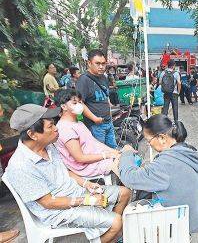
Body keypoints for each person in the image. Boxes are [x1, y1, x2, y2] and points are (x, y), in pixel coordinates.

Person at [6, 104, 131, 243]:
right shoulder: (20, 166)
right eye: (50, 126)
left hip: (75, 193)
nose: (56, 128)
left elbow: (64, 171)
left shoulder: (49, 146)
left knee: (124, 193)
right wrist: (87, 201)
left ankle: (110, 233)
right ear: (32, 134)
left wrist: (87, 184)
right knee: (116, 222)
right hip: (57, 211)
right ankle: (111, 230)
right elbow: (48, 203)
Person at [119, 114, 198, 234]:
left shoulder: (166, 164)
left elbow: (129, 177)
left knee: (132, 211)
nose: (149, 145)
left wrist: (127, 153)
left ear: (162, 138)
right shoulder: (187, 151)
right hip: (191, 219)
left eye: (149, 141)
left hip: (175, 226)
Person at [54, 89, 127, 178]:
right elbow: (80, 158)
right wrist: (106, 155)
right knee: (125, 163)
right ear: (64, 107)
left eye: (80, 102)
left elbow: (94, 143)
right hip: (85, 167)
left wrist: (113, 151)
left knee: (126, 153)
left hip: (93, 158)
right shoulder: (65, 129)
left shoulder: (78, 123)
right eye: (75, 103)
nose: (79, 105)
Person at [76, 49, 117, 148]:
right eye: (97, 63)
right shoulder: (83, 80)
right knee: (100, 153)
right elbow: (79, 103)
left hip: (108, 121)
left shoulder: (103, 78)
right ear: (89, 63)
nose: (101, 67)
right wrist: (94, 118)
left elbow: (106, 96)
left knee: (112, 149)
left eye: (103, 64)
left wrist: (109, 108)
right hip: (95, 126)